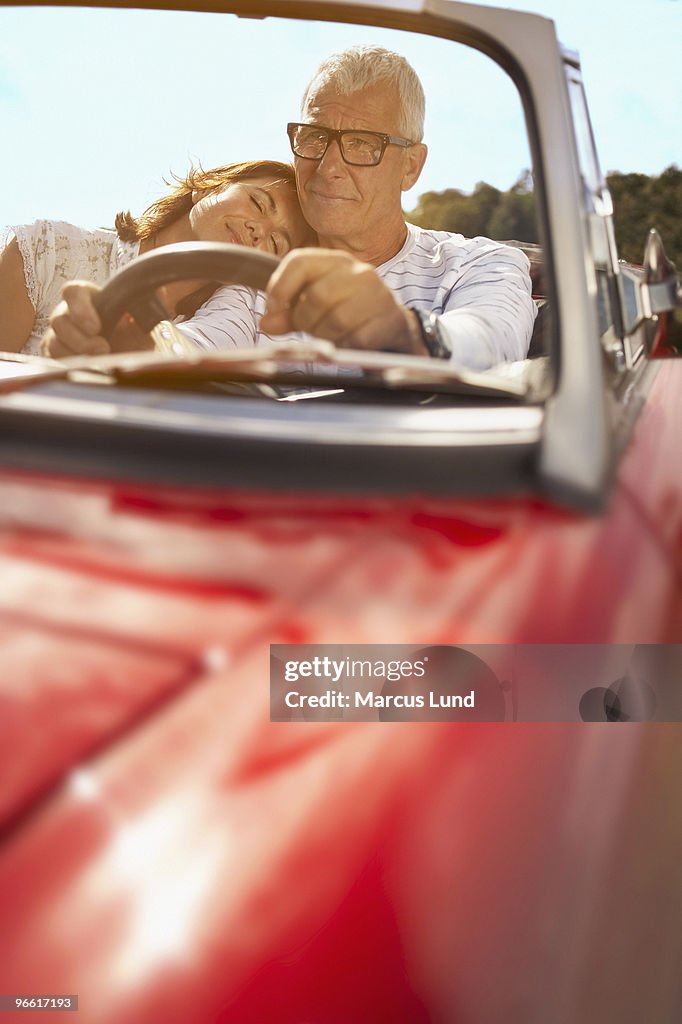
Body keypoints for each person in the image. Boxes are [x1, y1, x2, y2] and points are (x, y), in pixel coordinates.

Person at [42, 46, 536, 370]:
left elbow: (488, 340)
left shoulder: (480, 262)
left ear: (411, 167)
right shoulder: (260, 281)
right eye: (316, 138)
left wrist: (400, 332)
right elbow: (203, 344)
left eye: (362, 143)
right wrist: (130, 349)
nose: (328, 167)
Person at [1, 159, 312, 356]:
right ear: (207, 188)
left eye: (275, 242)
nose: (258, 230)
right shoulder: (46, 249)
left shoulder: (222, 335)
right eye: (257, 203)